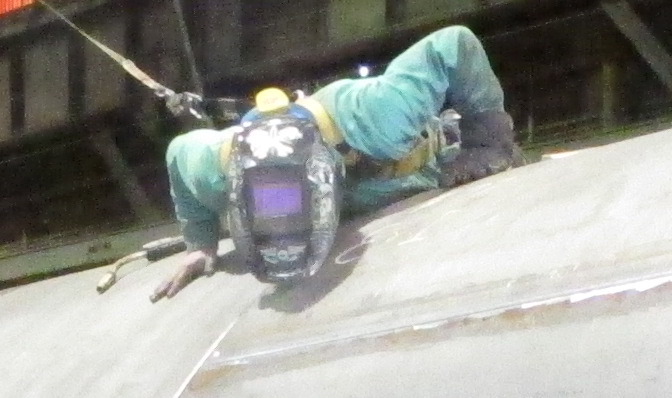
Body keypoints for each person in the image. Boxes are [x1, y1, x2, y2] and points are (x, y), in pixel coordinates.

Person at [163, 24, 520, 254]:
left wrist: (486, 143)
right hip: (363, 181)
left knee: (434, 149)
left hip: (413, 159)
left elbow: (453, 43)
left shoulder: (380, 117)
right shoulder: (216, 168)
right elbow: (177, 152)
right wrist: (201, 244)